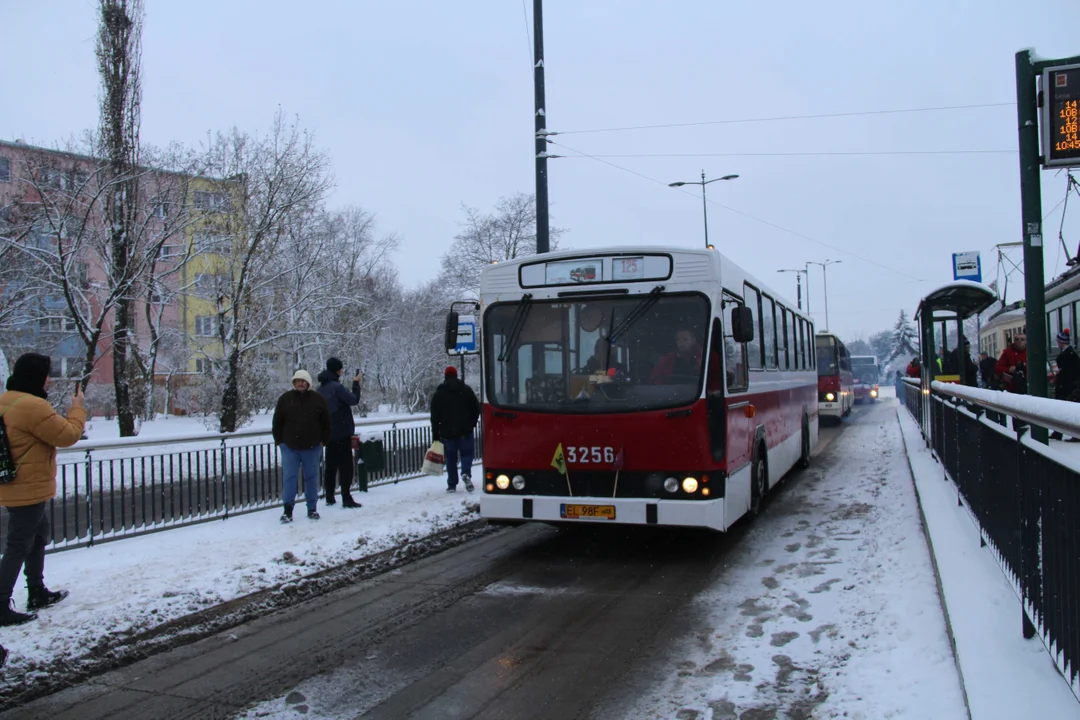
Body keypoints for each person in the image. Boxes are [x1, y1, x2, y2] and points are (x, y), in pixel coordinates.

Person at [0, 353, 85, 626]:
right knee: (18, 544)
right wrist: (78, 407)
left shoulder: (6, 400)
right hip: (28, 487)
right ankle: (1, 603)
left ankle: (37, 590)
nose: (49, 379)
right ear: (36, 376)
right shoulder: (33, 407)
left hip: (15, 483)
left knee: (38, 536)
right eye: (47, 374)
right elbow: (68, 435)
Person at [272, 370, 331, 523]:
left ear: (308, 383)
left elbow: (326, 423)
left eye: (303, 381)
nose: (300, 383)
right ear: (293, 382)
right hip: (290, 447)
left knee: (311, 478)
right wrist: (280, 442)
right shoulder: (285, 399)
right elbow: (277, 422)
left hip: (312, 447)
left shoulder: (318, 399)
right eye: (297, 381)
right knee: (289, 478)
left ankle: (312, 509)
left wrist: (323, 441)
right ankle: (287, 510)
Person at [316, 357, 363, 508]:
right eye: (341, 369)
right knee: (345, 466)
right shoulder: (337, 387)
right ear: (338, 370)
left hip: (328, 433)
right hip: (342, 432)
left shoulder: (320, 388)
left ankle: (329, 495)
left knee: (330, 466)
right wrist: (356, 383)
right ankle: (346, 497)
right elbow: (354, 400)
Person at [430, 366, 480, 493]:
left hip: (447, 433)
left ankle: (452, 484)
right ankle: (466, 473)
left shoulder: (439, 393)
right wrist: (471, 424)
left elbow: (434, 416)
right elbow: (476, 409)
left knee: (450, 459)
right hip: (465, 431)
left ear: (445, 376)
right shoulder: (466, 390)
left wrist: (436, 433)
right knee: (467, 455)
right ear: (456, 375)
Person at [650, 328, 722, 390]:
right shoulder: (666, 360)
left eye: (685, 340)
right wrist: (664, 390)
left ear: (694, 340)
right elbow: (655, 378)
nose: (682, 343)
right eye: (678, 340)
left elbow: (719, 377)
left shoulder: (707, 356)